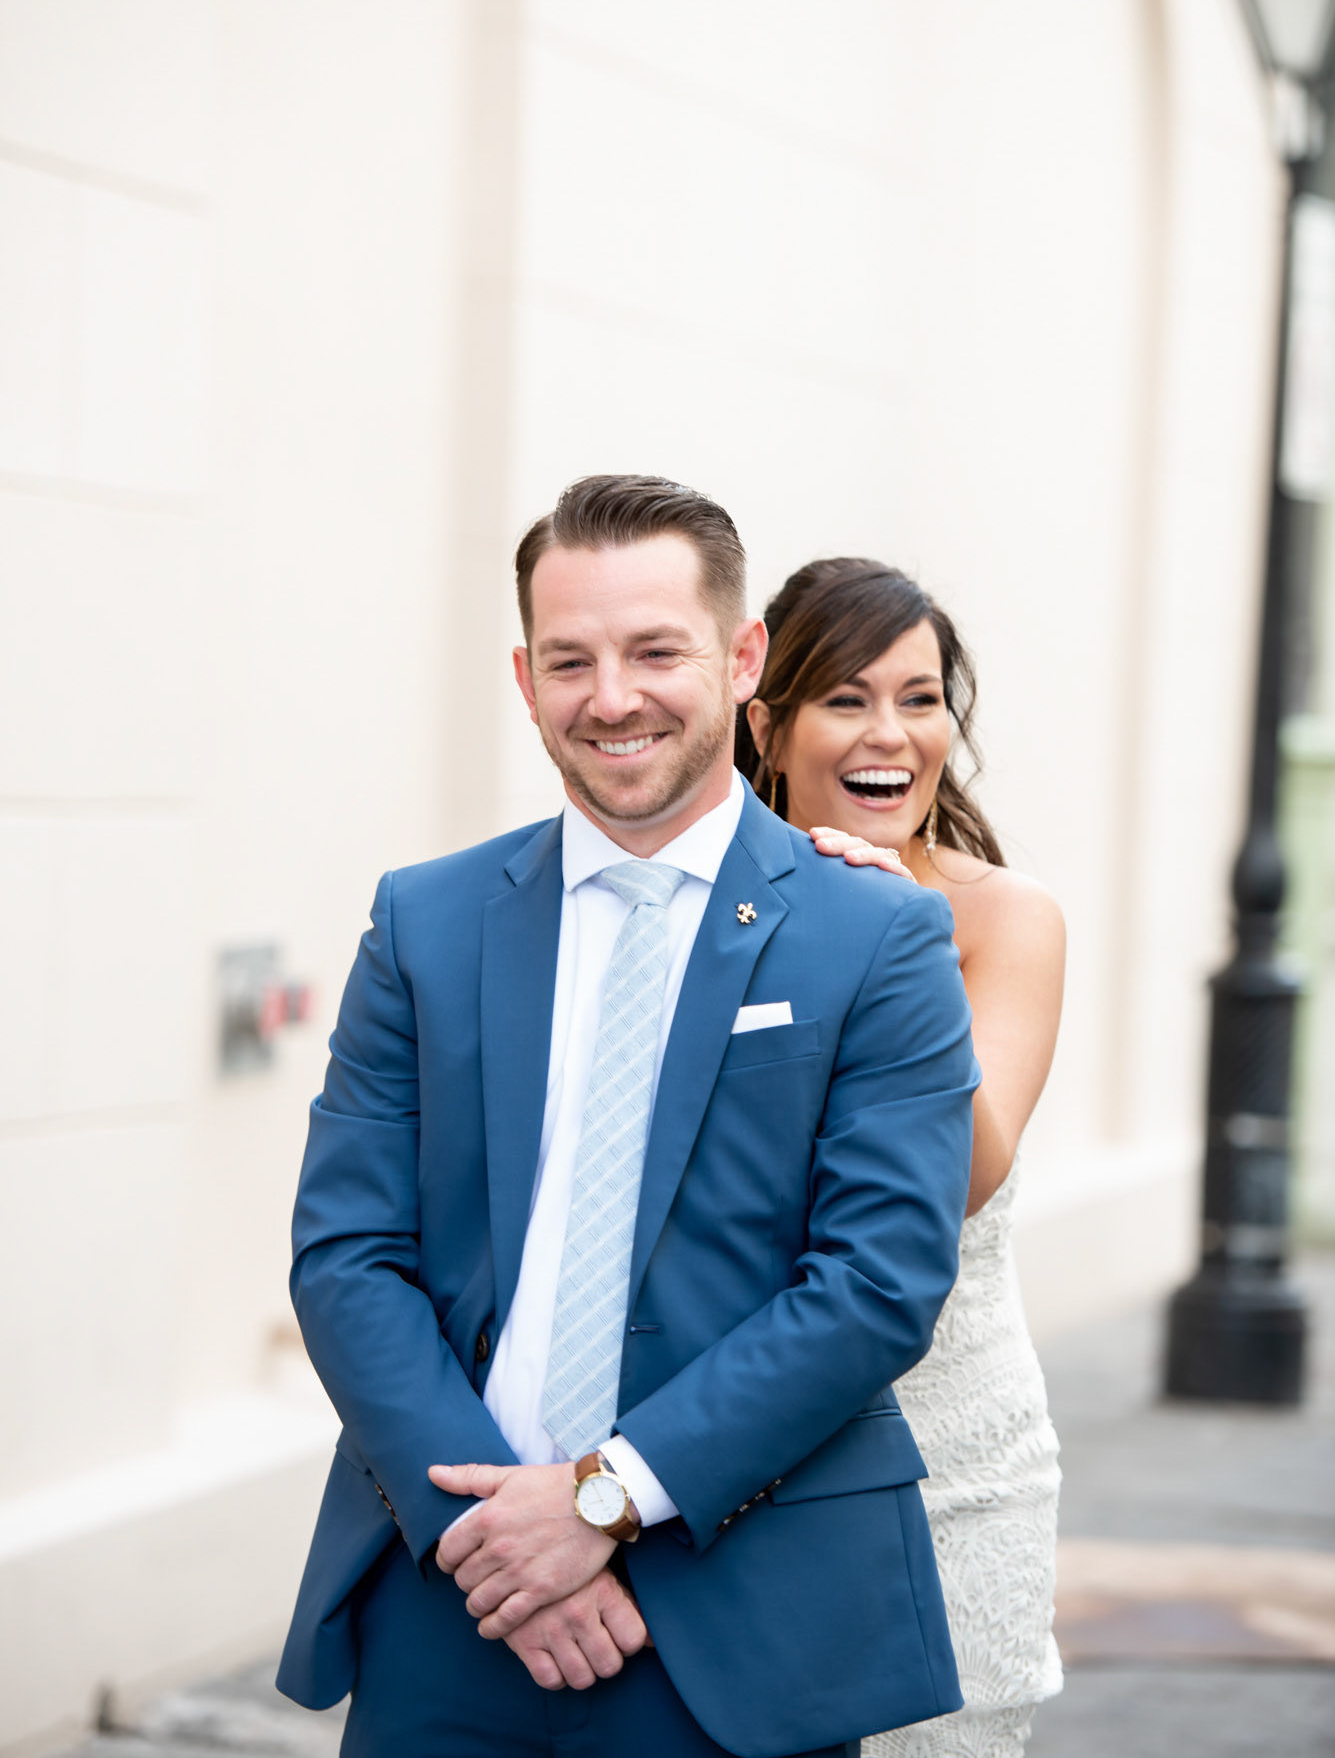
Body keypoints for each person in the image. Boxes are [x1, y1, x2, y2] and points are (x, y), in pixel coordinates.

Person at [276, 477, 983, 1758]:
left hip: (734, 1607)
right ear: (524, 673)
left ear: (743, 655)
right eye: (571, 659)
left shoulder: (875, 934)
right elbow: (346, 1253)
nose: (613, 696)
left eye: (657, 649)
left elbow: (879, 1281)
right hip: (451, 1591)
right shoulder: (425, 920)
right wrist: (490, 1532)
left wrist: (600, 1502)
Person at [737, 557, 1065, 1758]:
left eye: (920, 697)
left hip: (953, 1476)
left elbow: (962, 1174)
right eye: (847, 697)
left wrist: (908, 939)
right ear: (765, 723)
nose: (892, 733)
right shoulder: (710, 914)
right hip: (736, 1472)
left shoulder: (1000, 917)